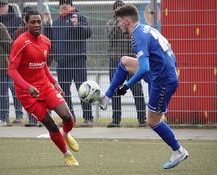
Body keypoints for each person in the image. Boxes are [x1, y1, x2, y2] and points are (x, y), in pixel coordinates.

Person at [99, 5, 188, 169]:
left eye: (119, 21)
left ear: (127, 21)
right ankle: (106, 97)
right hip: (161, 73)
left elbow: (144, 68)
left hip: (163, 81)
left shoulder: (137, 36)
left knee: (152, 121)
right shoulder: (146, 29)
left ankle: (178, 151)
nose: (118, 25)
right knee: (125, 61)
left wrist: (127, 85)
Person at [8, 10, 79, 166]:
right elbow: (11, 70)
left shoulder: (46, 41)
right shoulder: (20, 43)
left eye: (39, 21)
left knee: (68, 117)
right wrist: (27, 87)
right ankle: (66, 154)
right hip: (27, 94)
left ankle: (65, 134)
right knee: (50, 124)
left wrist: (54, 83)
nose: (36, 25)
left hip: (45, 86)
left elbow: (43, 65)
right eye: (32, 22)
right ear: (26, 24)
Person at [52, 0, 93, 126]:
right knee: (63, 91)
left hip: (77, 60)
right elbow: (51, 39)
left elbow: (88, 33)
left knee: (83, 90)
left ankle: (88, 118)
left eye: (67, 3)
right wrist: (47, 24)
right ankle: (69, 118)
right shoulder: (56, 21)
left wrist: (77, 25)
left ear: (72, 5)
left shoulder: (79, 17)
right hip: (62, 62)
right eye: (62, 3)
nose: (64, 5)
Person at [105, 0, 146, 127]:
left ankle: (142, 119)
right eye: (117, 9)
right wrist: (117, 23)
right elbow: (109, 36)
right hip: (115, 61)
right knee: (115, 90)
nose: (119, 11)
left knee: (137, 90)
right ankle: (116, 120)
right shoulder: (110, 24)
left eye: (121, 8)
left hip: (131, 60)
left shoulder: (130, 25)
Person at [0, 0, 23, 123]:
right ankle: (4, 117)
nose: (1, 8)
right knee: (2, 90)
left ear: (8, 5)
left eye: (3, 5)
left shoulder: (17, 20)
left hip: (14, 60)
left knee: (15, 89)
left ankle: (19, 115)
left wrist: (5, 38)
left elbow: (19, 36)